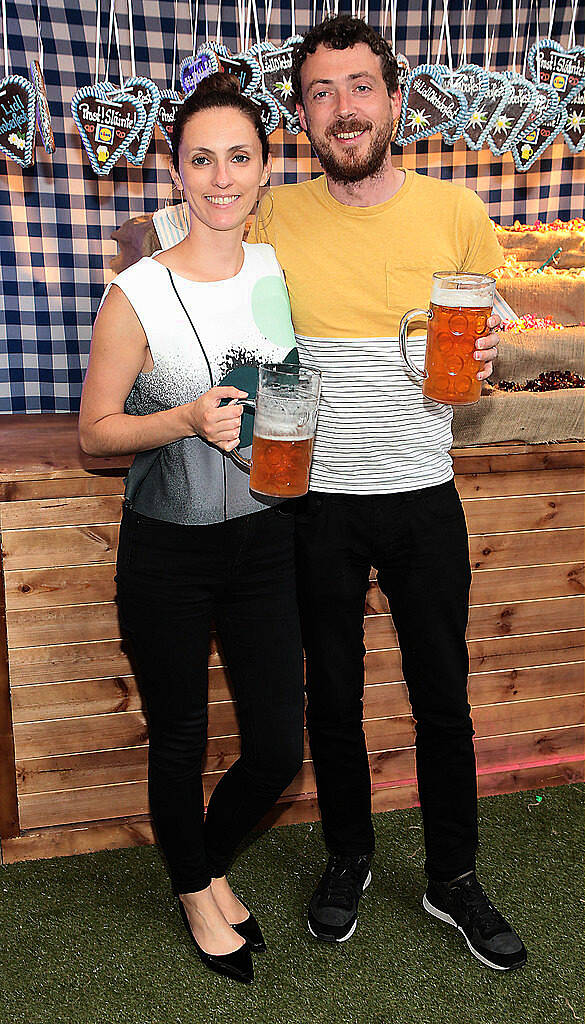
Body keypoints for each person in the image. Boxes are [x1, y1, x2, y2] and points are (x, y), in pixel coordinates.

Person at [247, 16, 527, 970]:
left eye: (359, 86)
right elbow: (168, 241)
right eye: (321, 93)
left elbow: (496, 338)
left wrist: (495, 351)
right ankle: (348, 854)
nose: (343, 108)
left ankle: (451, 876)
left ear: (394, 100)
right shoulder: (273, 213)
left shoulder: (456, 212)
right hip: (314, 500)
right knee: (332, 695)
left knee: (440, 695)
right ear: (301, 115)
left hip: (421, 494)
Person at [78, 73, 306, 985]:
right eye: (201, 158)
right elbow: (96, 434)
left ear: (262, 169)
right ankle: (195, 889)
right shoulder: (135, 291)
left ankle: (200, 863)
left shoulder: (279, 270)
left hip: (268, 535)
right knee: (178, 734)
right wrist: (178, 418)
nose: (220, 177)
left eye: (239, 157)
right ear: (176, 169)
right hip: (167, 545)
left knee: (277, 749)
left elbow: (298, 385)